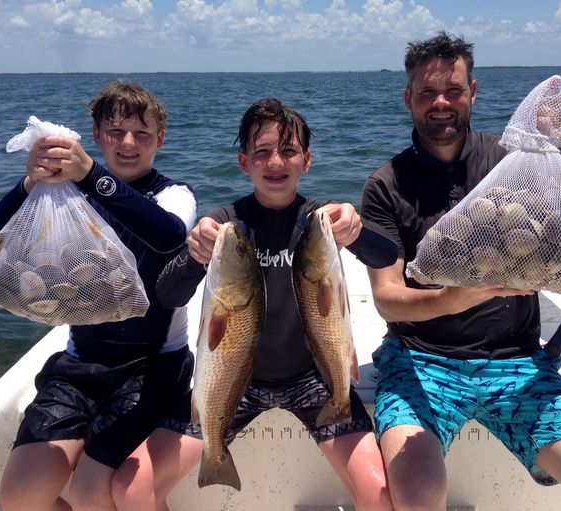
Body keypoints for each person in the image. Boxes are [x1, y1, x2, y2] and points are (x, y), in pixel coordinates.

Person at [360, 31, 561, 511]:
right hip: (419, 362)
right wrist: (456, 297)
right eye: (428, 92)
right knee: (416, 497)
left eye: (453, 90)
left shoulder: (518, 159)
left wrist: (556, 144)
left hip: (518, 364)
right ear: (408, 98)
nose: (441, 103)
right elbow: (388, 299)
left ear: (472, 93)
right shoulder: (386, 185)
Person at [111, 97, 395, 511]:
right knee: (130, 488)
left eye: (288, 150)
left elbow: (386, 256)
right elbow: (168, 295)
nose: (275, 162)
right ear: (244, 162)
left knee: (380, 494)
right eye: (261, 152)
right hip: (231, 384)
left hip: (312, 379)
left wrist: (357, 229)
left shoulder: (321, 222)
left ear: (307, 161)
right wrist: (193, 254)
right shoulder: (227, 227)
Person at [0, 80, 198, 511]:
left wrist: (91, 175)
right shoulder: (67, 194)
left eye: (142, 134)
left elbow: (168, 235)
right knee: (19, 496)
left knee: (92, 491)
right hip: (80, 363)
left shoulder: (174, 194)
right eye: (115, 132)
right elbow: (0, 234)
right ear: (97, 135)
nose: (128, 143)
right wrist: (31, 182)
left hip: (153, 366)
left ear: (160, 139)